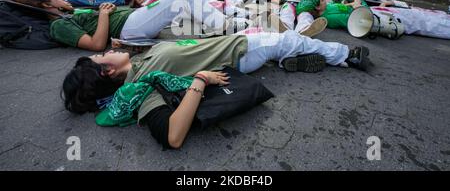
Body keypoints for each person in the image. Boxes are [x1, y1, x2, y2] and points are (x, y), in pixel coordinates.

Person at [62, 32, 371, 149]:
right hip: (240, 51)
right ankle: (346, 56)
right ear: (108, 71)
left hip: (233, 41)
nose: (105, 49)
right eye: (101, 56)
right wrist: (200, 80)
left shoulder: (139, 60)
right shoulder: (140, 87)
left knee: (286, 45)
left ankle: (291, 61)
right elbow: (172, 136)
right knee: (293, 38)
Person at [25, 0, 243, 51]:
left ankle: (223, 21)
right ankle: (227, 27)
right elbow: (96, 44)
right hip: (129, 28)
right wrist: (103, 14)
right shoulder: (59, 25)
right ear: (46, 4)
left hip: (133, 19)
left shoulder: (70, 14)